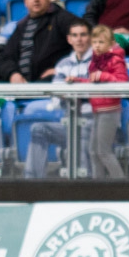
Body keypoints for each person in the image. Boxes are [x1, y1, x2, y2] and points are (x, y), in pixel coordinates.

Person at [25, 19, 93, 179]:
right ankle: (32, 182)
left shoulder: (100, 61)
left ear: (90, 37)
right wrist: (79, 92)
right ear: (69, 39)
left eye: (83, 35)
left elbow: (98, 93)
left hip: (93, 122)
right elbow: (56, 97)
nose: (79, 39)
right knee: (38, 129)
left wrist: (72, 91)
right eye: (75, 35)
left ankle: (85, 184)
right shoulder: (63, 64)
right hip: (68, 121)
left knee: (81, 133)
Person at [0, 0, 76, 84]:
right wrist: (13, 74)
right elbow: (6, 58)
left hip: (53, 85)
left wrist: (61, 69)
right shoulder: (21, 26)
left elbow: (83, 45)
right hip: (22, 88)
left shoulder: (64, 19)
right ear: (25, 2)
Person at [76, 24, 127, 179]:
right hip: (97, 109)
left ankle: (121, 184)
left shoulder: (116, 60)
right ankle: (98, 184)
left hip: (110, 110)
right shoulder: (95, 61)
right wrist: (77, 80)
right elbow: (94, 82)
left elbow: (123, 82)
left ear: (111, 44)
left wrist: (103, 76)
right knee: (93, 151)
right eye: (95, 42)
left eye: (101, 42)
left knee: (103, 151)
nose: (97, 46)